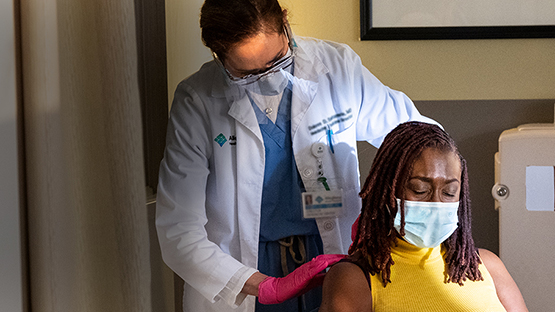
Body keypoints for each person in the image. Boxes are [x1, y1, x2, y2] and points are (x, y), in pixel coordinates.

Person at [155, 0, 437, 311]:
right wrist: (266, 286)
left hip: (333, 260)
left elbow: (419, 139)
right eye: (246, 74)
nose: (268, 79)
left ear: (285, 23)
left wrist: (408, 216)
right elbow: (179, 230)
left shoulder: (336, 66)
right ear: (218, 56)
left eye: (277, 61)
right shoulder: (197, 100)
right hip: (246, 275)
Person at [319, 121, 528, 312]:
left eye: (449, 192)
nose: (436, 203)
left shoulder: (486, 266)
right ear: (387, 190)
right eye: (419, 190)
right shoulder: (354, 279)